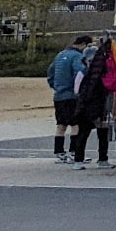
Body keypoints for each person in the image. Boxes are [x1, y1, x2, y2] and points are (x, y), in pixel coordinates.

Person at [70, 38, 114, 167]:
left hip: (88, 105)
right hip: (91, 106)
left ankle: (85, 160)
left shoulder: (84, 73)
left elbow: (77, 90)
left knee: (90, 133)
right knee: (90, 133)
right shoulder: (96, 74)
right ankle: (97, 159)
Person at [47, 34, 89, 162]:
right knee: (76, 125)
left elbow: (50, 72)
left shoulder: (60, 55)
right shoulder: (78, 57)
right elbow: (79, 74)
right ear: (83, 45)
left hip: (59, 95)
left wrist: (56, 86)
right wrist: (81, 91)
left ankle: (59, 152)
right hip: (72, 95)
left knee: (61, 125)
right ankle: (74, 152)